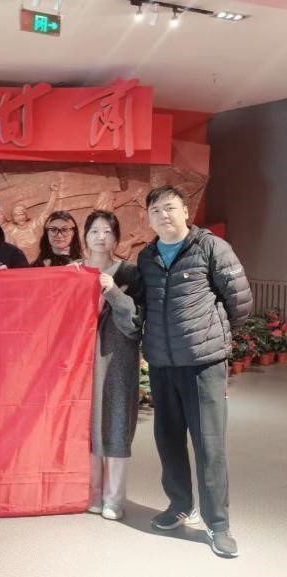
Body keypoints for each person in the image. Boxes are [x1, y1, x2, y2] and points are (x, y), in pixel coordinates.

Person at [138, 185, 251, 559]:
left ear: (185, 211)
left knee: (209, 445)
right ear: (149, 218)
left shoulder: (211, 247)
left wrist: (211, 339)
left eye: (170, 208)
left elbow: (240, 302)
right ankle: (179, 506)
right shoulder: (147, 256)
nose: (164, 215)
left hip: (203, 364)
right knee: (168, 440)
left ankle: (218, 524)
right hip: (162, 364)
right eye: (156, 210)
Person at [79, 210, 143, 522]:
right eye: (94, 231)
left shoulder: (130, 273)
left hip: (118, 359)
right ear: (85, 236)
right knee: (87, 424)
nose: (101, 237)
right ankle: (92, 493)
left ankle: (114, 498)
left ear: (116, 238)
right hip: (81, 361)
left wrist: (113, 291)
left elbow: (134, 323)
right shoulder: (74, 271)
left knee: (117, 422)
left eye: (107, 231)